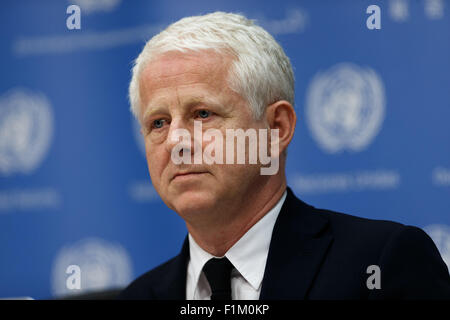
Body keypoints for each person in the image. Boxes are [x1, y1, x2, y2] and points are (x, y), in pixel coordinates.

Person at [118, 12, 450, 300]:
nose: (176, 141)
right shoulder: (138, 296)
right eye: (158, 122)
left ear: (276, 128)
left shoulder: (381, 265)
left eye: (203, 114)